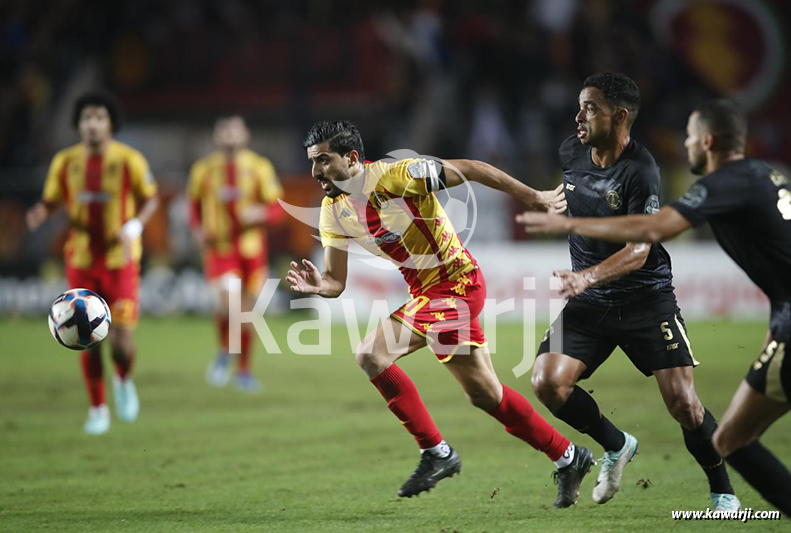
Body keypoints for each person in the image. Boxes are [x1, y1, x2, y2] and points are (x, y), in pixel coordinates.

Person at [286, 120, 594, 507]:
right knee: (486, 395)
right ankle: (569, 456)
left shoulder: (397, 176)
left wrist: (532, 196)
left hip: (458, 284)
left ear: (351, 158)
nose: (315, 172)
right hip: (428, 295)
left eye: (323, 161)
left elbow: (472, 168)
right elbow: (335, 281)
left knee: (371, 353)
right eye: (312, 162)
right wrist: (320, 286)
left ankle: (436, 452)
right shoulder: (333, 210)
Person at [517, 99, 791, 516]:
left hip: (646, 299)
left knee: (689, 408)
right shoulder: (766, 175)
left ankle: (723, 492)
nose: (684, 145)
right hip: (591, 303)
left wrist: (571, 226)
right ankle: (616, 446)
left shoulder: (674, 175)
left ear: (708, 141)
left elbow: (649, 234)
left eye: (689, 137)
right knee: (546, 381)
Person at [27, 92, 159, 435]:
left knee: (120, 342)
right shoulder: (65, 161)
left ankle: (124, 379)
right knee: (84, 336)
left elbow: (151, 198)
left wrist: (135, 225)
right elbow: (52, 200)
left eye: (99, 117)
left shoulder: (129, 159)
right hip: (82, 259)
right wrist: (42, 211)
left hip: (121, 260)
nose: (92, 124)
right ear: (78, 124)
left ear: (110, 123)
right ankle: (98, 408)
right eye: (86, 118)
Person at [188, 115, 284, 393]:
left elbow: (278, 209)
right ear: (216, 135)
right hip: (220, 249)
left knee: (246, 313)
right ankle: (224, 352)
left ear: (246, 135)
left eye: (234, 129)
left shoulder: (258, 167)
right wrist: (196, 229)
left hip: (252, 250)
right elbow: (193, 206)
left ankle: (242, 370)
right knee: (230, 304)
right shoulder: (204, 169)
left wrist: (260, 212)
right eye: (224, 129)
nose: (229, 134)